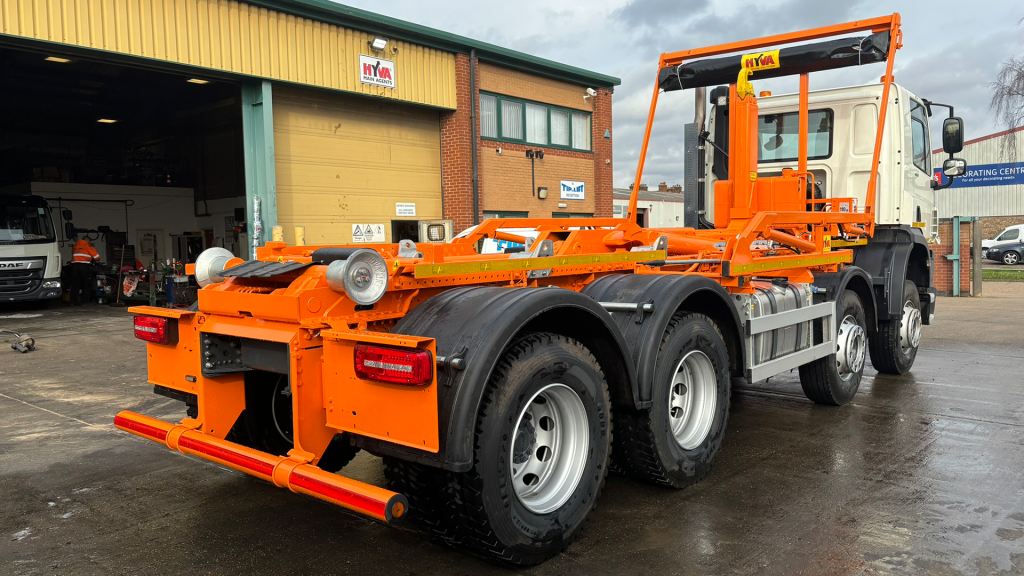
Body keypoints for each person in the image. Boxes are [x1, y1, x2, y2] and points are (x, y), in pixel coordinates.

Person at [69, 236, 100, 305]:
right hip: (85, 266)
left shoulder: (75, 246)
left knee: (75, 284)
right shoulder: (88, 246)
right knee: (86, 284)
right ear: (88, 241)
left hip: (75, 267)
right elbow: (97, 257)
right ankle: (84, 302)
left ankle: (72, 302)